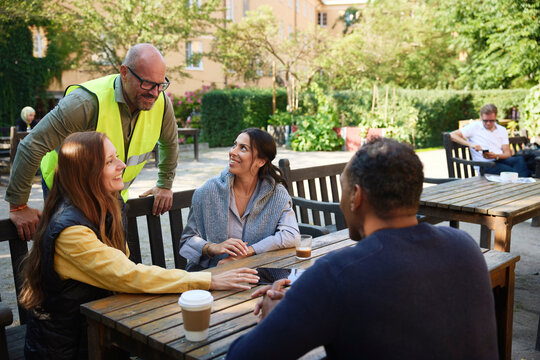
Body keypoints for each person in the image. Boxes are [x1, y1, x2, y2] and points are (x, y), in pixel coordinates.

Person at [227, 138, 498, 360]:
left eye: (343, 190)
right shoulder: (464, 246)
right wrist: (302, 303)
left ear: (357, 196)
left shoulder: (338, 273)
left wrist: (274, 317)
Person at [18, 132, 259, 360]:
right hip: (69, 347)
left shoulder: (101, 208)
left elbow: (122, 270)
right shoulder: (72, 231)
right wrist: (211, 280)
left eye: (117, 157)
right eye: (110, 161)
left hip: (98, 330)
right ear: (87, 174)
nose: (122, 165)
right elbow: (128, 275)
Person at [6, 43, 179, 242]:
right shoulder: (85, 103)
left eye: (160, 84)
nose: (155, 93)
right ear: (124, 72)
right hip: (68, 194)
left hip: (112, 194)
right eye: (147, 83)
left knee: (115, 256)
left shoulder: (162, 103)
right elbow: (32, 145)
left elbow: (170, 143)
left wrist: (165, 184)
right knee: (75, 259)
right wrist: (18, 206)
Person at [180, 128, 299, 270]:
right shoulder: (207, 192)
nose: (233, 152)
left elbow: (291, 235)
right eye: (234, 145)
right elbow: (187, 241)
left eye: (243, 148)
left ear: (261, 161)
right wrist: (213, 247)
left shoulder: (276, 194)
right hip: (211, 274)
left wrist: (248, 252)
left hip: (256, 272)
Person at [450, 103, 530, 177]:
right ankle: (524, 187)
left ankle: (523, 185)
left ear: (495, 117)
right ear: (481, 117)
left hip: (500, 160)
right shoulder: (474, 127)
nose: (488, 123)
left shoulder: (502, 130)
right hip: (485, 165)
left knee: (519, 160)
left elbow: (507, 153)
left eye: (491, 120)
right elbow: (452, 135)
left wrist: (496, 156)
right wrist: (472, 145)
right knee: (514, 173)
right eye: (485, 120)